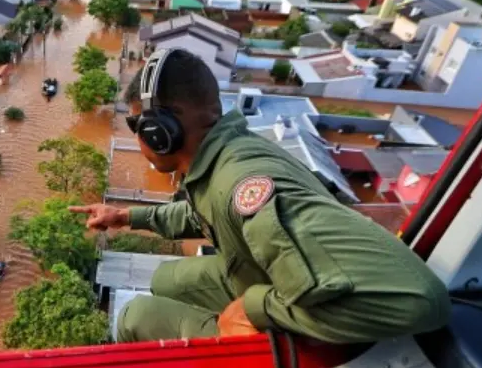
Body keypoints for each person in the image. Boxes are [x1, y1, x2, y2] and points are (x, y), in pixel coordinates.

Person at [70, 48, 451, 344]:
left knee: (135, 316)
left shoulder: (242, 185)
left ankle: (237, 345)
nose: (139, 137)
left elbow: (421, 300)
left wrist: (253, 309)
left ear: (161, 128)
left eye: (137, 124)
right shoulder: (221, 157)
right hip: (258, 273)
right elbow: (203, 213)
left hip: (286, 297)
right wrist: (126, 217)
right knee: (167, 280)